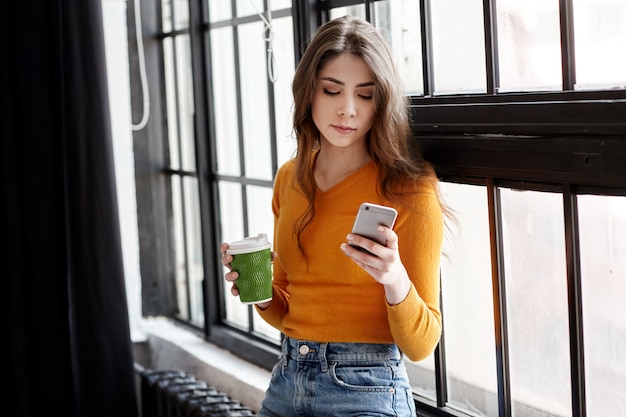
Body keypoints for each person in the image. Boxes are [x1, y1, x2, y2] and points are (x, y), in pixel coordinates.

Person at [221, 15, 447, 417]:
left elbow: (422, 344)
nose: (347, 110)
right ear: (309, 92)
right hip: (287, 380)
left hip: (367, 389)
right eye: (331, 90)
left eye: (365, 95)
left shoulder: (410, 189)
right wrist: (258, 291)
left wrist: (393, 277)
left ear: (383, 101)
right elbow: (290, 310)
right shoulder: (290, 178)